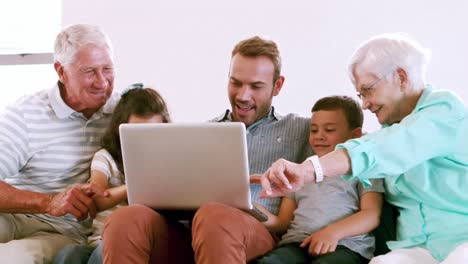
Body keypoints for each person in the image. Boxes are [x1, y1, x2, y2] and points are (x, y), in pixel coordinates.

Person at [259, 33, 468, 264]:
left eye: (368, 90)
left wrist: (309, 169)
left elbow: (388, 147)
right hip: (416, 247)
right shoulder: (382, 138)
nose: (365, 104)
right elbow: (370, 151)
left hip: (462, 241)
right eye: (360, 94)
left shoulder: (444, 111)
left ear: (401, 77)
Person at [101, 36, 312, 263]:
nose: (243, 96)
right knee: (127, 218)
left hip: (256, 230)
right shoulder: (204, 132)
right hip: (193, 229)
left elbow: (342, 155)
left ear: (277, 86)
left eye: (256, 86)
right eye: (236, 83)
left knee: (215, 215)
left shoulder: (304, 130)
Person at [0, 24, 119, 263]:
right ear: (61, 71)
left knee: (12, 259)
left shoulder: (122, 114)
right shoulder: (25, 114)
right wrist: (48, 201)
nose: (102, 82)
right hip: (13, 216)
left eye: (107, 69)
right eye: (89, 72)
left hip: (60, 230)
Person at [255, 95, 384, 264]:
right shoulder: (300, 172)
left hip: (344, 245)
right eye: (314, 130)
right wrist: (253, 210)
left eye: (329, 130)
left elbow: (371, 214)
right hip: (297, 244)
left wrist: (332, 233)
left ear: (355, 135)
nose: (319, 136)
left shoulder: (363, 169)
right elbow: (283, 222)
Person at [52, 86, 171, 264]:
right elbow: (98, 198)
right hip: (97, 239)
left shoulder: (167, 163)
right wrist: (134, 186)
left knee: (104, 252)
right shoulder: (106, 158)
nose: (145, 143)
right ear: (119, 131)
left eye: (153, 134)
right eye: (136, 135)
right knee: (68, 255)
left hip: (131, 243)